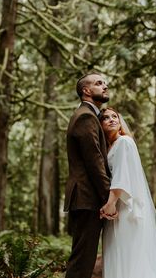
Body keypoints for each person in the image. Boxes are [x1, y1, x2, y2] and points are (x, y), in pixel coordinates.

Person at [100, 107, 156, 278]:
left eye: (115, 117)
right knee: (117, 251)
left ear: (120, 123)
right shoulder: (109, 147)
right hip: (116, 205)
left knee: (129, 253)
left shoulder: (124, 142)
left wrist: (110, 204)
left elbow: (122, 176)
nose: (112, 119)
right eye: (106, 118)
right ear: (100, 124)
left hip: (125, 207)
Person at [64, 73, 116, 278]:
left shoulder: (89, 115)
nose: (105, 86)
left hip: (86, 197)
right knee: (82, 262)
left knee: (83, 259)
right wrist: (108, 199)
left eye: (105, 83)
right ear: (86, 91)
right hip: (87, 197)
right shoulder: (85, 116)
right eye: (98, 83)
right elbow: (94, 162)